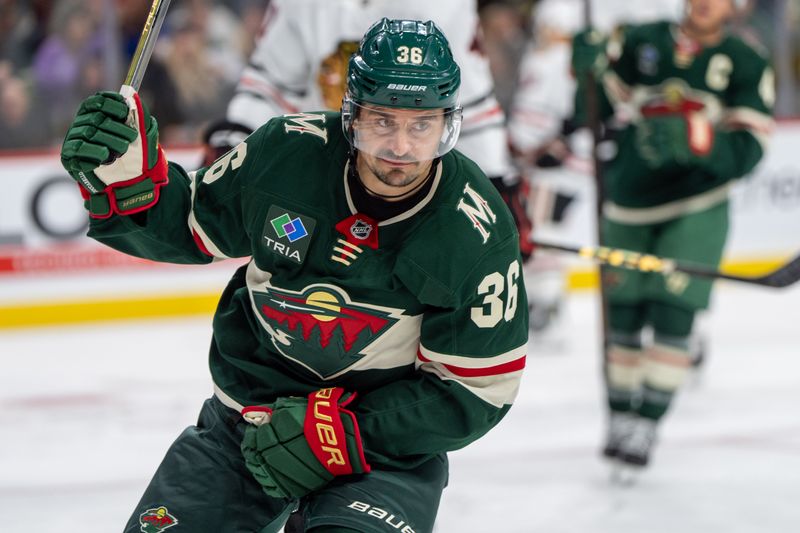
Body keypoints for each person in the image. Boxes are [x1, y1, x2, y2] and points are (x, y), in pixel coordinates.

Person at [61, 18, 528, 533]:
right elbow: (191, 226)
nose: (400, 147)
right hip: (245, 422)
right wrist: (129, 182)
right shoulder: (286, 154)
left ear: (447, 124)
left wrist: (348, 432)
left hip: (383, 453)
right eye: (382, 121)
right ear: (351, 114)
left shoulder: (475, 228)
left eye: (421, 125)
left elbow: (476, 391)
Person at [572, 0, 774, 469]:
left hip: (697, 204)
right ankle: (619, 414)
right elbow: (594, 109)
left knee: (673, 312)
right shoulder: (644, 39)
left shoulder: (746, 61)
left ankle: (648, 422)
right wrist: (587, 70)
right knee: (622, 317)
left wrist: (696, 141)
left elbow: (750, 146)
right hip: (628, 198)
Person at [203, 0, 535, 262]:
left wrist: (493, 187)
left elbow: (468, 102)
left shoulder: (441, 4)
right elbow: (271, 84)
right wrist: (235, 142)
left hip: (406, 173)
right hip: (325, 165)